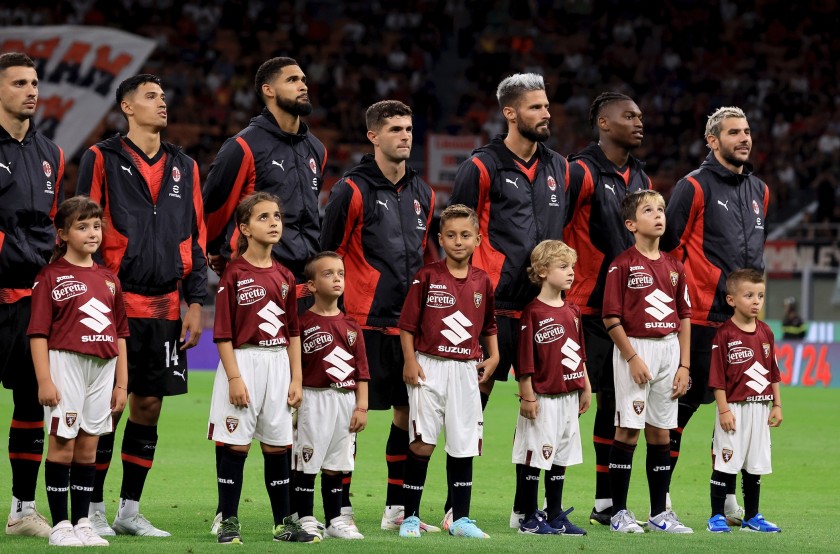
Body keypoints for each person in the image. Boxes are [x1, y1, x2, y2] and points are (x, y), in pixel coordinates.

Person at [75, 74, 207, 537]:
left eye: (164, 97)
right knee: (105, 408)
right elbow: (81, 224)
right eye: (151, 97)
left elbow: (195, 235)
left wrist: (196, 300)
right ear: (127, 107)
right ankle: (90, 506)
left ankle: (128, 510)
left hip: (167, 307)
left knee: (148, 405)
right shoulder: (100, 157)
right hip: (114, 302)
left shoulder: (183, 165)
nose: (162, 103)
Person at [202, 57, 326, 530]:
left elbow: (310, 217)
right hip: (256, 281)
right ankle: (226, 512)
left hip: (300, 286)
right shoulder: (244, 145)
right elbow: (214, 207)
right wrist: (219, 256)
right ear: (268, 90)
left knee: (298, 403)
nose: (303, 82)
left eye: (303, 75)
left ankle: (296, 513)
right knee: (246, 406)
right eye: (293, 79)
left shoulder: (315, 147)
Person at [321, 100, 438, 533]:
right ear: (373, 136)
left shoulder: (423, 192)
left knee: (408, 417)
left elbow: (428, 260)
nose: (404, 136)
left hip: (406, 328)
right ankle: (340, 511)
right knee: (347, 420)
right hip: (359, 324)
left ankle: (396, 510)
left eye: (408, 128)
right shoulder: (351, 190)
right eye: (394, 129)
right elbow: (327, 254)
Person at [661, 106, 769, 524]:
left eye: (746, 131)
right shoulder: (693, 187)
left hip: (742, 327)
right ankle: (662, 497)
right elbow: (670, 250)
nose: (744, 139)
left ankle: (724, 499)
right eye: (733, 133)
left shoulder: (760, 189)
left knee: (736, 415)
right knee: (680, 413)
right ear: (712, 140)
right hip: (703, 320)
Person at [448, 73, 568, 411]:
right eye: (535, 107)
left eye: (546, 106)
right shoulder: (481, 165)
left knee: (546, 406)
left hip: (544, 305)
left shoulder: (559, 166)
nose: (546, 113)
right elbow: (456, 233)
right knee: (473, 405)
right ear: (510, 114)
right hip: (492, 306)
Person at [563, 92, 652, 525]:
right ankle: (529, 506)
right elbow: (553, 229)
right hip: (582, 308)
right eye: (629, 116)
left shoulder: (641, 177)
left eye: (639, 116)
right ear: (603, 122)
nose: (639, 122)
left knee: (616, 407)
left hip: (625, 314)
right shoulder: (579, 171)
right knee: (560, 404)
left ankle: (605, 504)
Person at [208, 192, 317, 544]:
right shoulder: (233, 274)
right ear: (245, 228)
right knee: (236, 447)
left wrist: (297, 378)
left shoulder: (285, 276)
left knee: (278, 446)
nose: (274, 223)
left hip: (279, 364)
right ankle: (228, 522)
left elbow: (294, 331)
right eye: (264, 217)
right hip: (243, 362)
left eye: (277, 216)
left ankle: (283, 523)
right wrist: (235, 377)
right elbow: (222, 334)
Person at [27, 197, 128, 547]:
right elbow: (38, 332)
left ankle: (83, 522)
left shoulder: (110, 279)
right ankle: (60, 525)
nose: (92, 232)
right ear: (62, 234)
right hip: (65, 362)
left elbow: (120, 333)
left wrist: (122, 384)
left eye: (97, 225)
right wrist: (44, 379)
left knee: (89, 448)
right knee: (63, 444)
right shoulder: (49, 277)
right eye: (82, 226)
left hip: (104, 368)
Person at [397, 204, 499, 539]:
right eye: (451, 235)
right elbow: (408, 325)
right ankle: (410, 517)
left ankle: (461, 520)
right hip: (429, 366)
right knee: (422, 443)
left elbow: (490, 325)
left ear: (478, 239)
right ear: (439, 238)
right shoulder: (427, 276)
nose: (458, 241)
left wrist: (494, 356)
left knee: (463, 443)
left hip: (466, 370)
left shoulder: (483, 280)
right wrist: (410, 361)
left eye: (465, 235)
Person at [0, 52, 65, 537]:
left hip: (30, 299)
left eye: (35, 83)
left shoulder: (52, 155)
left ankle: (22, 511)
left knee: (30, 403)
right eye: (20, 82)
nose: (31, 90)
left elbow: (50, 225)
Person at [602, 190, 692, 534]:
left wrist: (684, 365)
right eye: (649, 210)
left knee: (661, 434)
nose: (659, 215)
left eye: (662, 210)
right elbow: (611, 318)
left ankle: (659, 514)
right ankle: (619, 513)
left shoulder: (674, 266)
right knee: (628, 430)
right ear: (630, 224)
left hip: (669, 350)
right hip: (635, 349)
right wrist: (632, 357)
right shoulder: (621, 265)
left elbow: (684, 316)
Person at [512, 240, 590, 536]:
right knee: (536, 455)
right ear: (543, 271)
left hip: (569, 396)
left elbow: (579, 352)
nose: (571, 272)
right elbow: (525, 359)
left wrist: (585, 386)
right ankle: (530, 517)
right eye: (563, 267)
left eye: (572, 266)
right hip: (543, 398)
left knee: (561, 457)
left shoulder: (573, 310)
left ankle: (555, 513)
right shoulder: (532, 312)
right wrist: (528, 395)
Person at [295, 251, 369, 540]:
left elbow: (362, 371)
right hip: (313, 399)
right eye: (328, 274)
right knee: (308, 461)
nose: (337, 279)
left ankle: (335, 519)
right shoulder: (301, 324)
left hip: (344, 400)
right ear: (311, 285)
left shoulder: (352, 326)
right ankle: (305, 517)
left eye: (340, 273)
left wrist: (361, 406)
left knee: (337, 464)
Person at [706, 269, 782, 534]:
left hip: (760, 409)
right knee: (725, 463)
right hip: (734, 409)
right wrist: (724, 409)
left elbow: (773, 372)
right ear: (731, 300)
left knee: (754, 464)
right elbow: (717, 379)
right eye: (748, 295)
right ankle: (716, 517)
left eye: (760, 295)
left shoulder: (766, 332)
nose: (756, 301)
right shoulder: (725, 334)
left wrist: (777, 405)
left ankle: (752, 518)